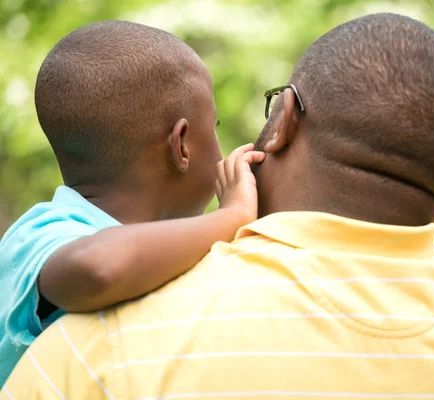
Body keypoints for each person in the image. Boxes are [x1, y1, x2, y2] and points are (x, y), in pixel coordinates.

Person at [3, 13, 434, 399]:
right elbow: (96, 265)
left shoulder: (105, 340)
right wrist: (228, 223)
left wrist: (231, 224)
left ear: (284, 120)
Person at [0, 21, 264, 385]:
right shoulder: (41, 233)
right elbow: (98, 267)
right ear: (181, 145)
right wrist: (233, 216)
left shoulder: (162, 253)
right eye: (214, 126)